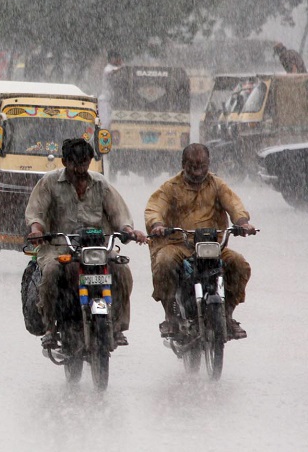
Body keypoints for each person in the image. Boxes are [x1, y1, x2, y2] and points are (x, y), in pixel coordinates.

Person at [25, 138, 147, 349]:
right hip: (60, 247)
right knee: (52, 272)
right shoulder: (49, 183)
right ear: (64, 162)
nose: (81, 169)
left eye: (85, 163)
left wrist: (129, 231)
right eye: (75, 163)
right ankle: (51, 327)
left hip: (96, 248)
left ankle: (118, 326)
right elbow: (36, 212)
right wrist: (37, 230)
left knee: (121, 270)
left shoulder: (101, 184)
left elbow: (119, 215)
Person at [145, 143, 256, 340]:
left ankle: (228, 315)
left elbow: (235, 205)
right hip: (179, 245)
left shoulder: (217, 185)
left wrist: (243, 223)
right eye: (192, 166)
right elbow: (155, 207)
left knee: (239, 264)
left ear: (208, 164)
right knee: (164, 263)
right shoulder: (170, 187)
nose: (197, 171)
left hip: (212, 246)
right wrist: (157, 225)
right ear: (183, 164)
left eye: (202, 166)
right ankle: (170, 316)